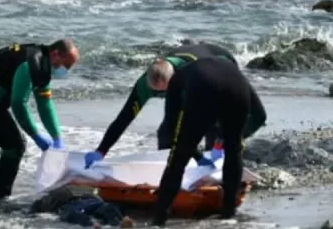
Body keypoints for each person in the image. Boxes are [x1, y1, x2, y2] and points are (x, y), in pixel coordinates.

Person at [0, 39, 79, 212]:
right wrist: (36, 136)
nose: (65, 71)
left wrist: (57, 137)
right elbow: (18, 104)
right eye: (66, 65)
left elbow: (44, 104)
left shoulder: (43, 66)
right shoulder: (30, 63)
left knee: (15, 147)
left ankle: (1, 200)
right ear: (55, 53)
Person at [83, 42, 244, 169]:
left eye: (166, 91)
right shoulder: (144, 84)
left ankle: (218, 171)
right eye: (157, 93)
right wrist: (101, 151)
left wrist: (217, 144)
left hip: (221, 64)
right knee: (166, 132)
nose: (164, 96)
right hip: (185, 73)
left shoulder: (194, 76)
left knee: (210, 128)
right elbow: (124, 119)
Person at [149, 55, 267, 226]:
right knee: (234, 151)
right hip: (239, 89)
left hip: (205, 90)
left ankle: (159, 218)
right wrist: (229, 136)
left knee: (178, 157)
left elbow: (170, 126)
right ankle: (228, 213)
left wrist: (192, 152)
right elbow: (260, 114)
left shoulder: (177, 80)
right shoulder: (226, 68)